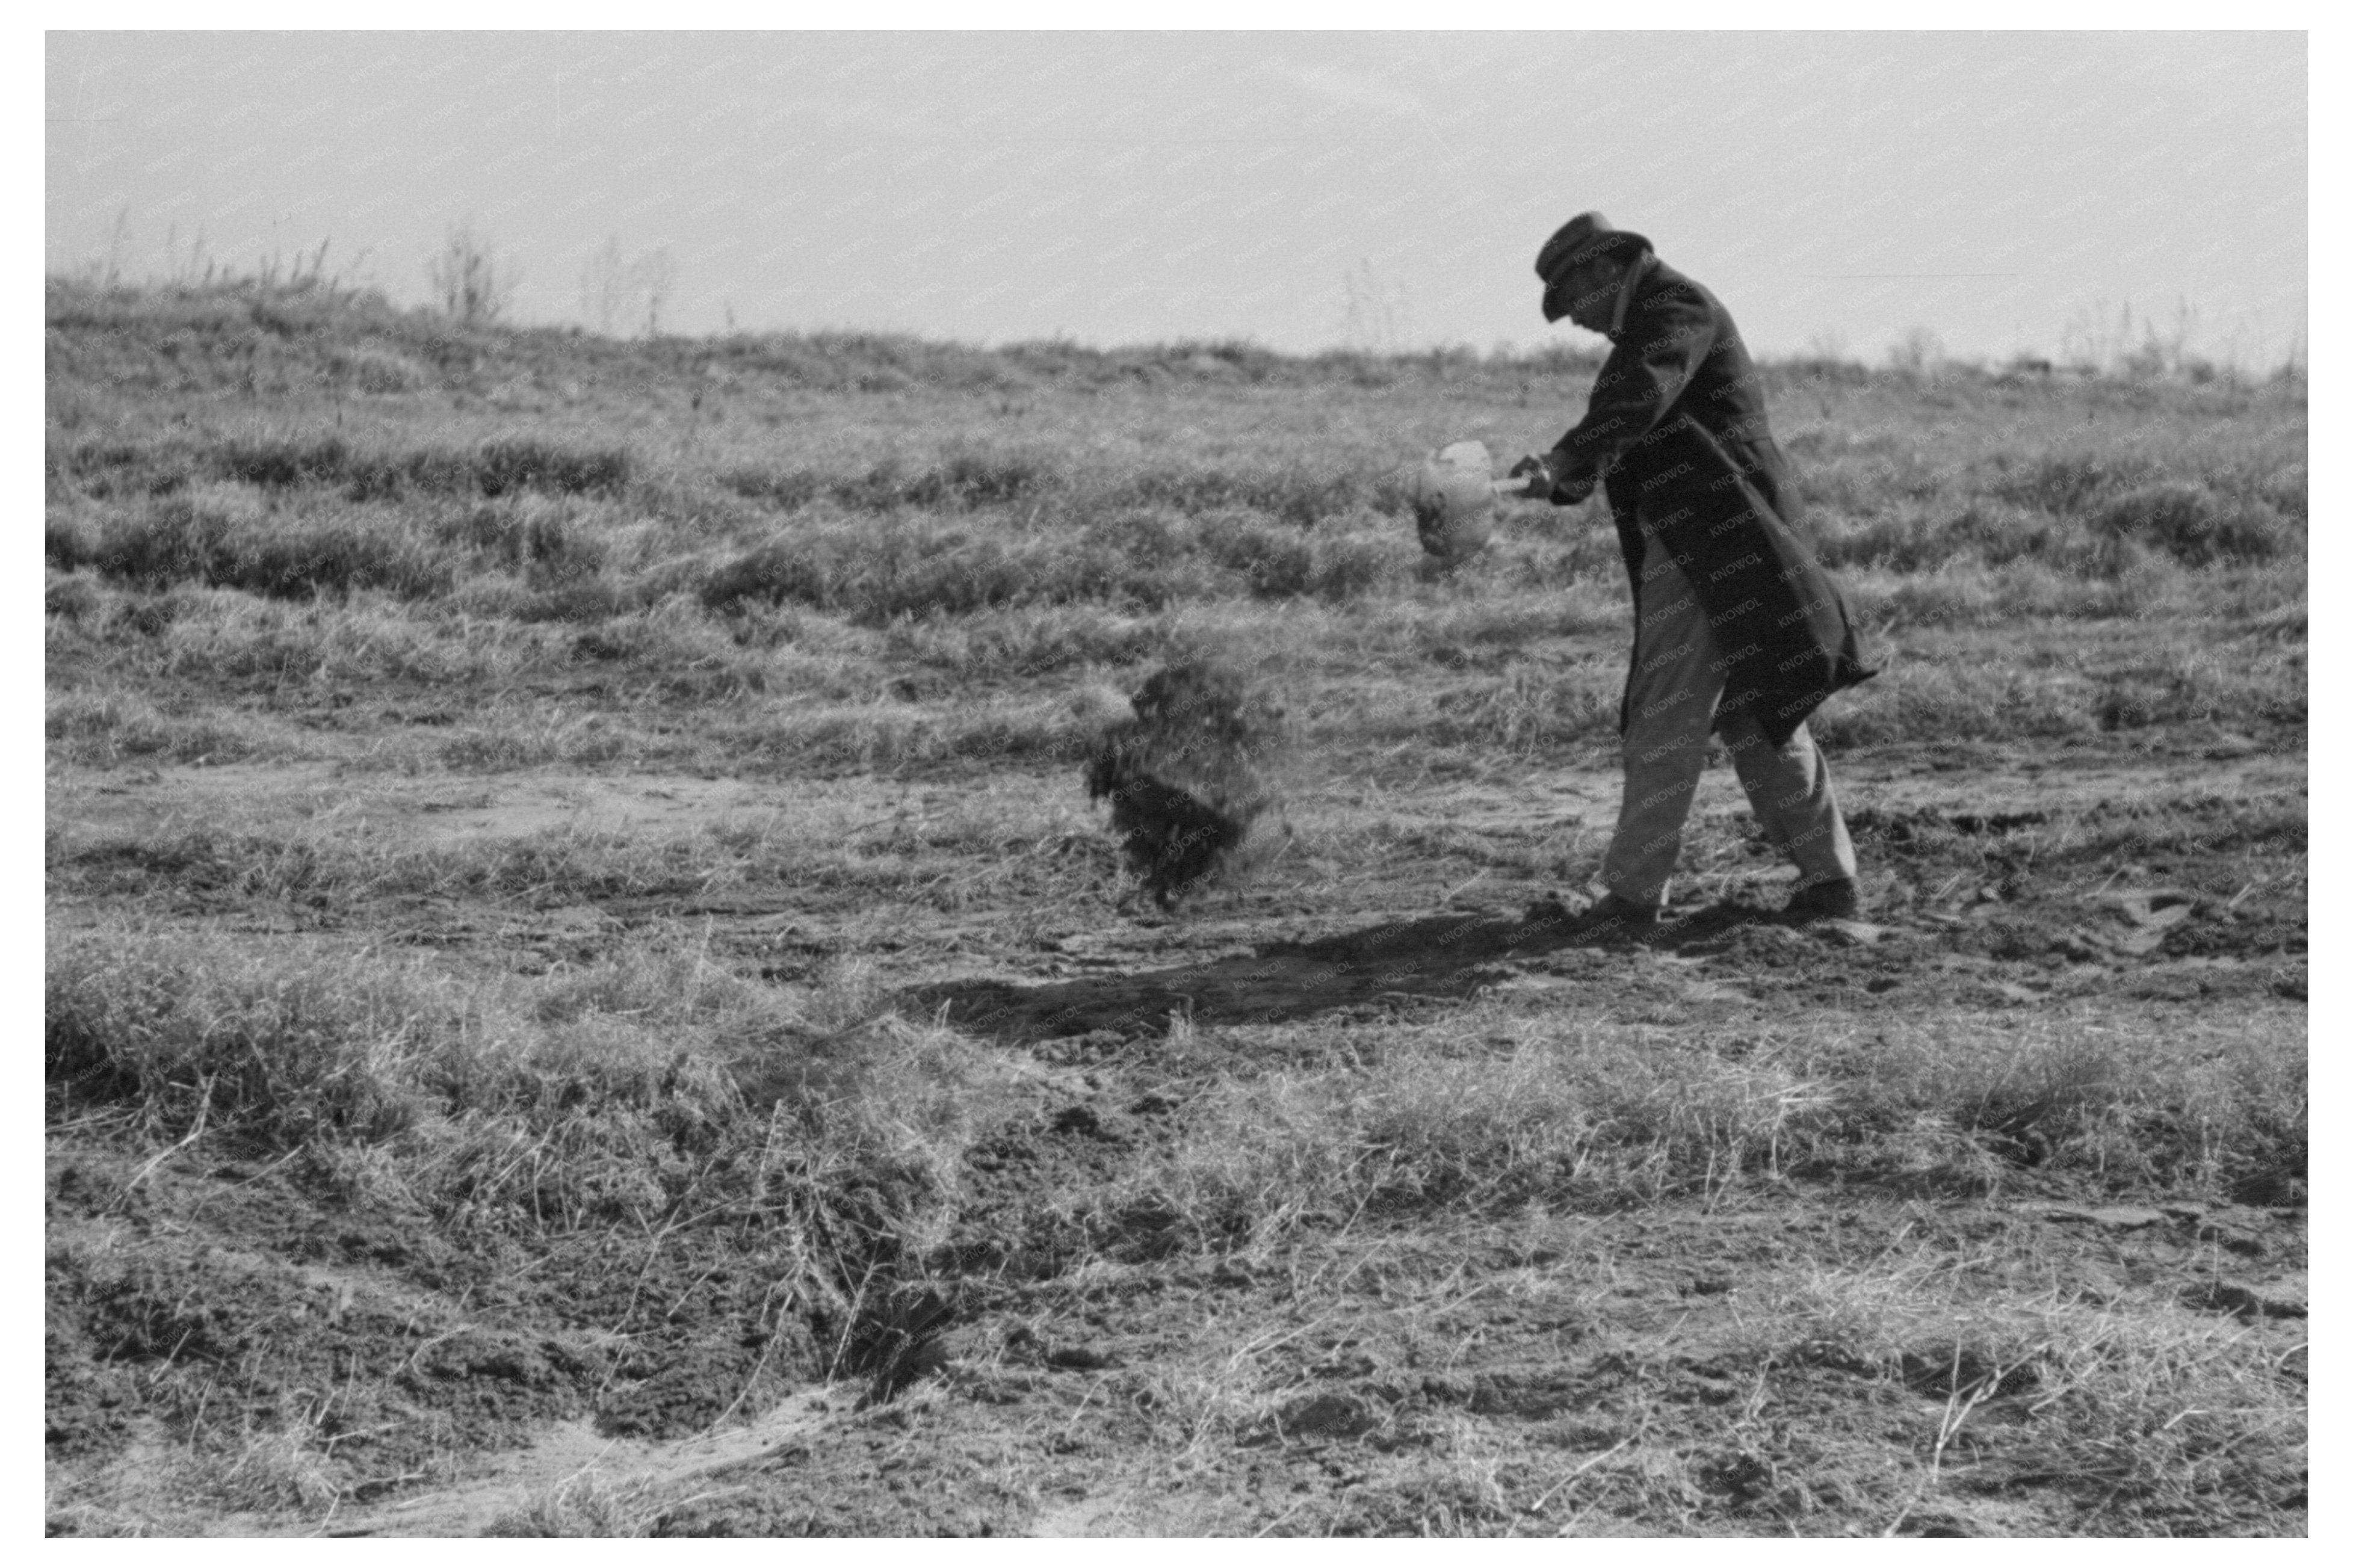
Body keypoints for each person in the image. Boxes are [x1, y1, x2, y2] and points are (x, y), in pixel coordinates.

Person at [1510, 213, 1873, 939]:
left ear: (1604, 270)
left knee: (1665, 713)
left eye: (1570, 298)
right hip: (1734, 548)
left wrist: (1562, 465)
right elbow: (1635, 412)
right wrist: (1560, 473)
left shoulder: (1675, 311)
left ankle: (1632, 901)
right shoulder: (1656, 317)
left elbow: (1638, 400)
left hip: (1709, 549)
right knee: (1759, 712)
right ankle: (1831, 885)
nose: (1573, 321)